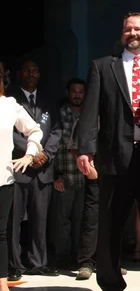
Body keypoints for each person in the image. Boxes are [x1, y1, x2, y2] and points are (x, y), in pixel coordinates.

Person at [77, 12, 140, 291]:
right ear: (122, 34)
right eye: (127, 28)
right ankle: (111, 289)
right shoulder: (104, 67)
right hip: (114, 159)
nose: (133, 33)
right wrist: (85, 150)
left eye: (138, 28)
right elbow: (90, 112)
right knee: (111, 228)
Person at [7, 59, 62, 280]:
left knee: (40, 220)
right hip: (19, 168)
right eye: (27, 70)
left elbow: (57, 130)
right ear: (19, 73)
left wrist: (45, 155)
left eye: (35, 70)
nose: (31, 74)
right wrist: (30, 154)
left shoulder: (49, 100)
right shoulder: (10, 100)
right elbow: (9, 132)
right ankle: (14, 265)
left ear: (39, 74)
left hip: (43, 169)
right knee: (14, 220)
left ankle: (38, 262)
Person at [0, 60, 42, 291]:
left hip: (3, 178)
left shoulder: (9, 105)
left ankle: (3, 286)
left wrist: (29, 154)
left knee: (0, 235)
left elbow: (35, 130)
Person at [52, 78, 86, 270]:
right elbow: (55, 146)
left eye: (81, 91)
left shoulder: (89, 115)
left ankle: (79, 258)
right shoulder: (59, 114)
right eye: (74, 91)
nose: (77, 95)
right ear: (68, 92)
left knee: (80, 220)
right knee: (62, 221)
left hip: (83, 177)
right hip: (64, 175)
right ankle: (62, 259)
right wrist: (56, 174)